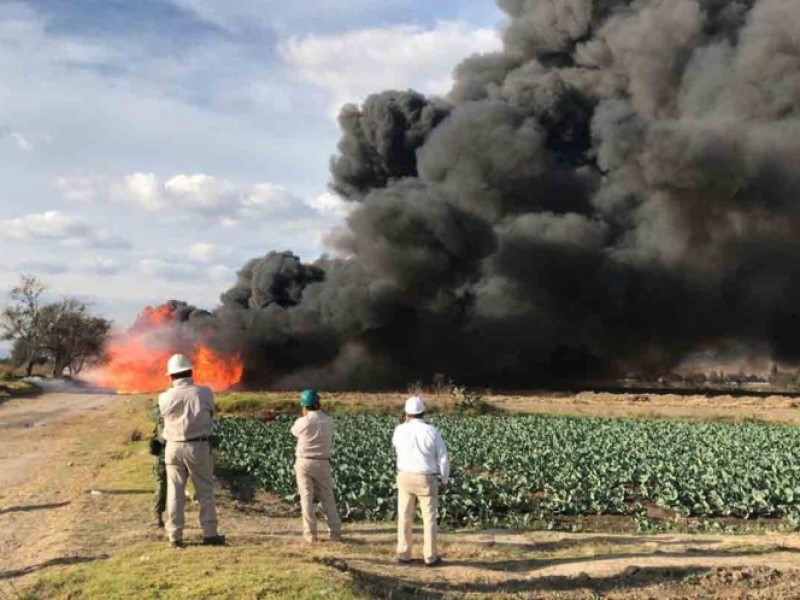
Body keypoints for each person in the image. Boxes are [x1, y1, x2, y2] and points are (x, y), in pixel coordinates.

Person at [158, 353, 225, 548]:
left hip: (173, 447)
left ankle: (175, 535)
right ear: (191, 372)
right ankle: (210, 533)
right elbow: (211, 412)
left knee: (175, 491)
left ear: (171, 376)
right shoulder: (204, 393)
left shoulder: (164, 397)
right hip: (198, 446)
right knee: (205, 490)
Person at [392, 396, 449, 567]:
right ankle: (430, 557)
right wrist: (444, 479)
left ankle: (403, 553)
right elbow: (443, 458)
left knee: (404, 515)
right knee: (429, 518)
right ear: (424, 413)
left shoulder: (399, 430)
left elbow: (396, 448)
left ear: (407, 414)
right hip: (426, 478)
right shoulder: (432, 431)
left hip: (404, 476)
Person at [290, 389, 342, 543]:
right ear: (318, 403)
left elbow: (294, 432)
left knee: (306, 498)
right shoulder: (329, 420)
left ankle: (311, 535)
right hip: (323, 462)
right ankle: (335, 533)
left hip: (304, 462)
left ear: (304, 406)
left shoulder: (303, 422)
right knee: (328, 497)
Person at [147, 401, 167, 528]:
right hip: (185, 449)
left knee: (161, 483)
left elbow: (152, 412)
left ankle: (158, 517)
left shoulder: (162, 409)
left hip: (165, 453)